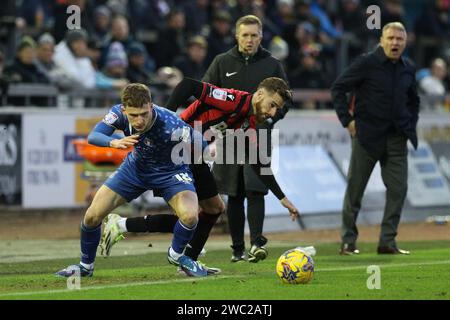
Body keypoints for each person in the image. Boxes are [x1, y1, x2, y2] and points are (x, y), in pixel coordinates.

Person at [101, 76, 300, 268]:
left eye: (278, 109)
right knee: (195, 216)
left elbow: (256, 160)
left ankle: (125, 228)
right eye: (272, 105)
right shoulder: (233, 100)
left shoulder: (248, 121)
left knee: (209, 210)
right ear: (259, 95)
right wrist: (165, 118)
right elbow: (188, 85)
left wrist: (282, 198)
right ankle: (181, 255)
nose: (273, 113)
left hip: (190, 155)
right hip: (174, 151)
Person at [56, 83, 211, 278]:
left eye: (144, 114)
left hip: (170, 172)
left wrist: (203, 156)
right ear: (124, 109)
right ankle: (85, 266)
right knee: (91, 217)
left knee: (190, 217)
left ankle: (176, 254)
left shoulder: (171, 123)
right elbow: (94, 136)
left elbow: (201, 142)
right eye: (134, 115)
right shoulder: (117, 113)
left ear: (151, 106)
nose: (139, 121)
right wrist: (114, 142)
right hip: (135, 170)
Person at [202, 14, 292, 262]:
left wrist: (271, 119)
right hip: (229, 136)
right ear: (237, 36)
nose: (250, 39)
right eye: (245, 35)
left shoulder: (272, 64)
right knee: (234, 192)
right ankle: (237, 249)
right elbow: (205, 92)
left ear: (261, 37)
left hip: (259, 135)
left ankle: (256, 244)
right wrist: (218, 123)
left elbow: (285, 99)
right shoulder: (221, 62)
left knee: (256, 189)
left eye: (254, 35)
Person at [331, 22, 420, 255]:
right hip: (367, 137)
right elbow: (338, 88)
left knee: (398, 190)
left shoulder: (407, 68)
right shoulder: (366, 63)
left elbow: (414, 100)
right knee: (355, 190)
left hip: (397, 138)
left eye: (399, 39)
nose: (395, 43)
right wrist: (347, 120)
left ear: (405, 42)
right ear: (381, 40)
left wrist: (410, 124)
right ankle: (348, 241)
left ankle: (387, 241)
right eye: (390, 38)